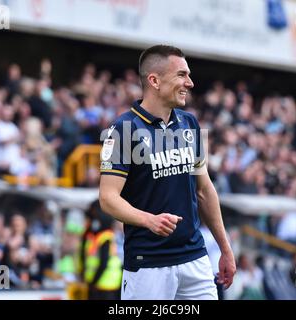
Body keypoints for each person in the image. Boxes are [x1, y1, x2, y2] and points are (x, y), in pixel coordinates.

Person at [99, 45, 236, 300]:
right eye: (182, 75)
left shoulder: (190, 123)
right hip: (148, 265)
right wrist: (148, 219)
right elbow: (108, 198)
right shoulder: (121, 129)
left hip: (195, 258)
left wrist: (225, 249)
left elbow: (204, 191)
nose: (190, 83)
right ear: (154, 80)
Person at [79, 200, 122, 300]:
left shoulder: (105, 237)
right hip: (98, 285)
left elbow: (103, 263)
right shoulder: (93, 237)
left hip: (107, 286)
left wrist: (93, 282)